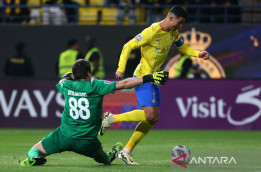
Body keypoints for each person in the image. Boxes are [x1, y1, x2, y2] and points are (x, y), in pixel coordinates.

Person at [99, 5, 209, 165]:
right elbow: (128, 46)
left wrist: (198, 53)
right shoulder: (151, 32)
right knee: (149, 115)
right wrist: (120, 68)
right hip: (143, 77)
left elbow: (183, 47)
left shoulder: (173, 32)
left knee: (154, 118)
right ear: (170, 18)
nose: (180, 26)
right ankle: (111, 118)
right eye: (179, 22)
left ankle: (126, 151)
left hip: (155, 78)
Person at [20, 59, 168, 167]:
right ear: (89, 72)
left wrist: (66, 76)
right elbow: (124, 84)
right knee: (104, 159)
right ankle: (112, 154)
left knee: (34, 150)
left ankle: (36, 159)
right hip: (87, 141)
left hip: (63, 136)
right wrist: (149, 77)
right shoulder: (95, 86)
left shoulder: (66, 85)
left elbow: (61, 81)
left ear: (74, 74)